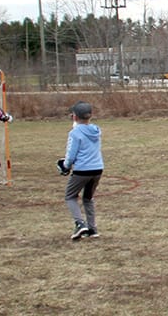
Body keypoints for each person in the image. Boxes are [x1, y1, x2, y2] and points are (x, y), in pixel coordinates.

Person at [59, 101, 104, 240]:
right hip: (97, 169)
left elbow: (71, 155)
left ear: (74, 116)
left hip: (82, 170)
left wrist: (65, 166)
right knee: (88, 198)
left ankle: (80, 224)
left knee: (70, 196)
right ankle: (92, 228)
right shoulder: (95, 130)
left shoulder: (75, 133)